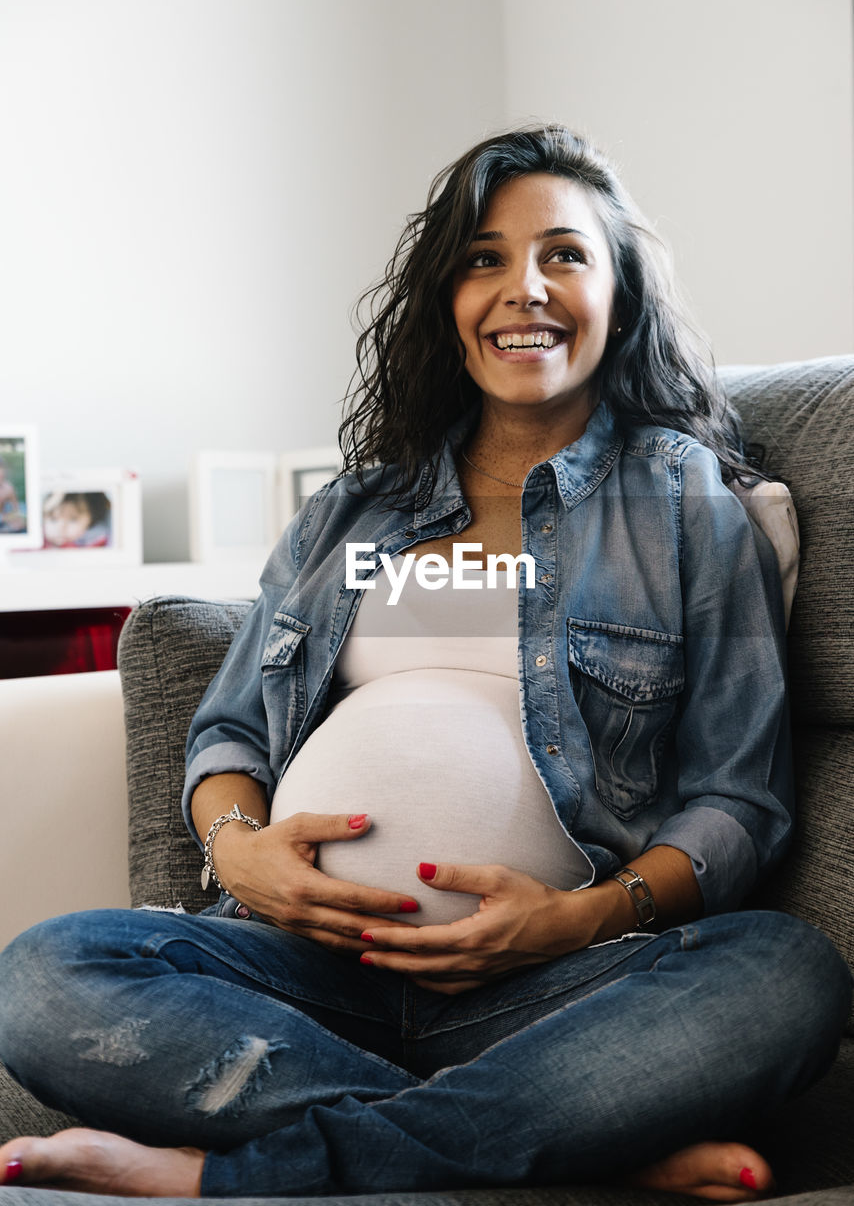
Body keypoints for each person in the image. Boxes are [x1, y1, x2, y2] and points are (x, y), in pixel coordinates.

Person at [0, 124, 850, 1201]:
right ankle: (575, 1138)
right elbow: (227, 736)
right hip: (301, 974)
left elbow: (739, 799)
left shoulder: (680, 500)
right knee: (42, 974)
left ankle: (238, 1172)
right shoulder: (356, 511)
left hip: (555, 981)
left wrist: (574, 918)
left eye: (564, 254)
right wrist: (240, 846)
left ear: (621, 297)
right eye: (482, 258)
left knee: (785, 974)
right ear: (445, 302)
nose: (522, 288)